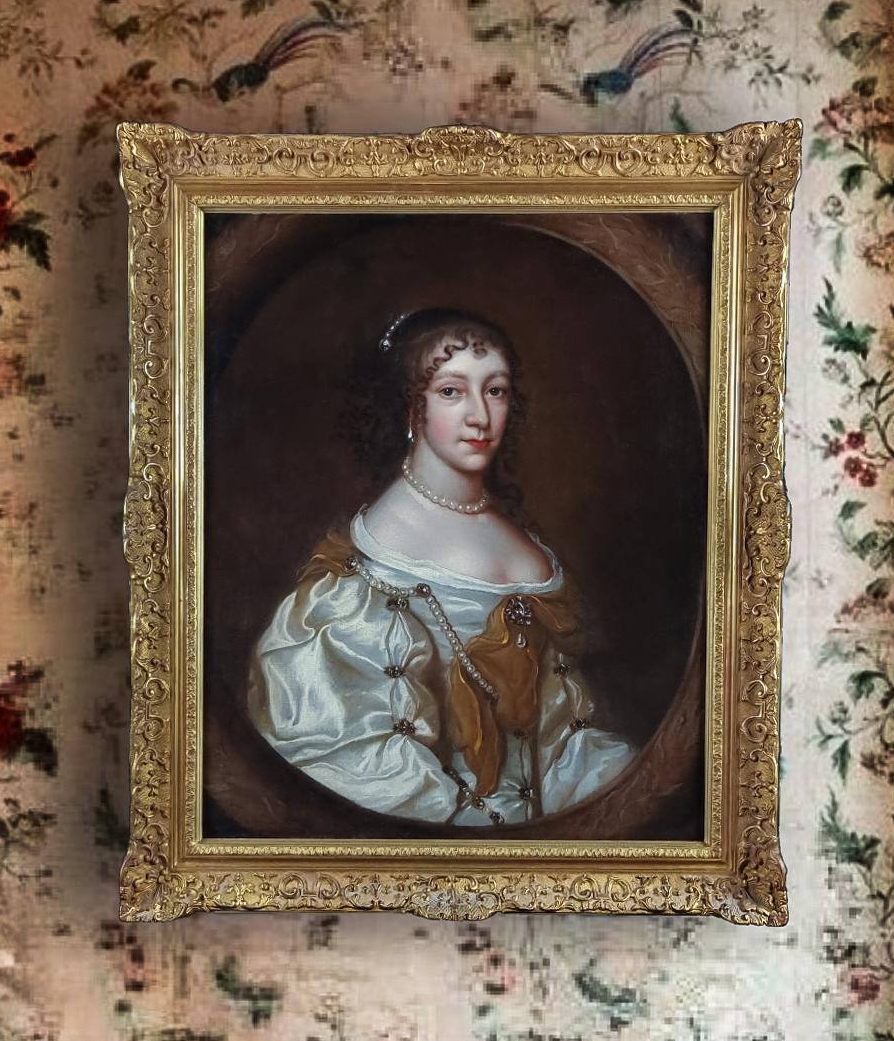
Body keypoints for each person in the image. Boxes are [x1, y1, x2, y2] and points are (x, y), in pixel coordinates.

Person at [247, 306, 634, 828]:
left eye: (494, 390)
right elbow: (363, 767)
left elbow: (561, 739)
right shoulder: (370, 569)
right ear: (412, 408)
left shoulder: (525, 545)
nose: (479, 415)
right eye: (451, 392)